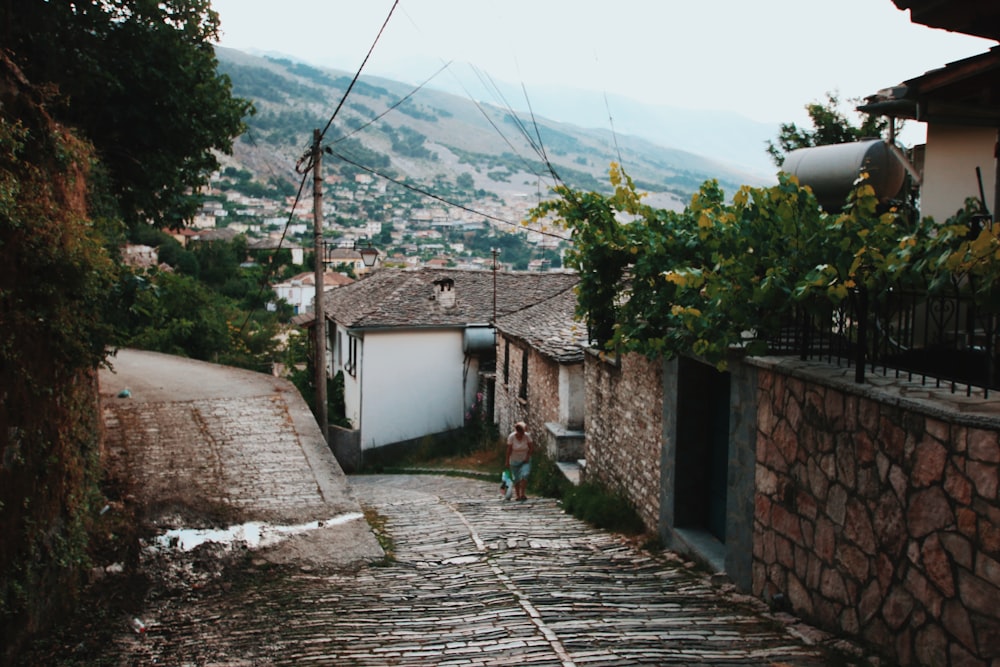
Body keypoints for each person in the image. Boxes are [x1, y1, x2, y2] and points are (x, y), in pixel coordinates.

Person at [505, 421, 534, 502]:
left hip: (525, 460)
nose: (523, 433)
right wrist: (507, 461)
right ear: (517, 431)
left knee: (525, 474)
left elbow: (531, 448)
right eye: (521, 432)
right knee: (516, 478)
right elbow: (509, 450)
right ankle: (517, 495)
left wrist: (528, 457)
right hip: (514, 460)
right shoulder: (511, 437)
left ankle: (523, 494)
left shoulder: (527, 436)